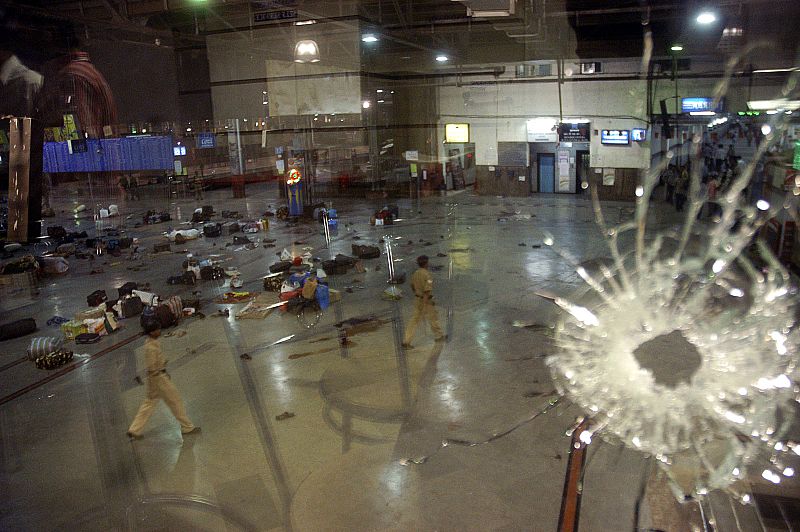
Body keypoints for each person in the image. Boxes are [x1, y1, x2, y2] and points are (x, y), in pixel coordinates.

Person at [127, 324, 200, 440]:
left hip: (155, 379)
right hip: (158, 378)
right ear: (151, 332)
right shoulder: (151, 347)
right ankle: (187, 426)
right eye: (157, 330)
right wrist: (161, 373)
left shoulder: (150, 342)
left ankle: (134, 429)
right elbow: (152, 367)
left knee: (149, 402)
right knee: (175, 400)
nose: (159, 331)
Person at [402, 255, 445, 347]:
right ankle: (439, 335)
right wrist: (425, 302)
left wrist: (417, 294)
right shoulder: (427, 275)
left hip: (417, 299)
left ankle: (406, 340)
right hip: (425, 301)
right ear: (426, 263)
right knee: (432, 317)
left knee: (415, 320)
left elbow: (412, 285)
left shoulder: (415, 273)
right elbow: (427, 290)